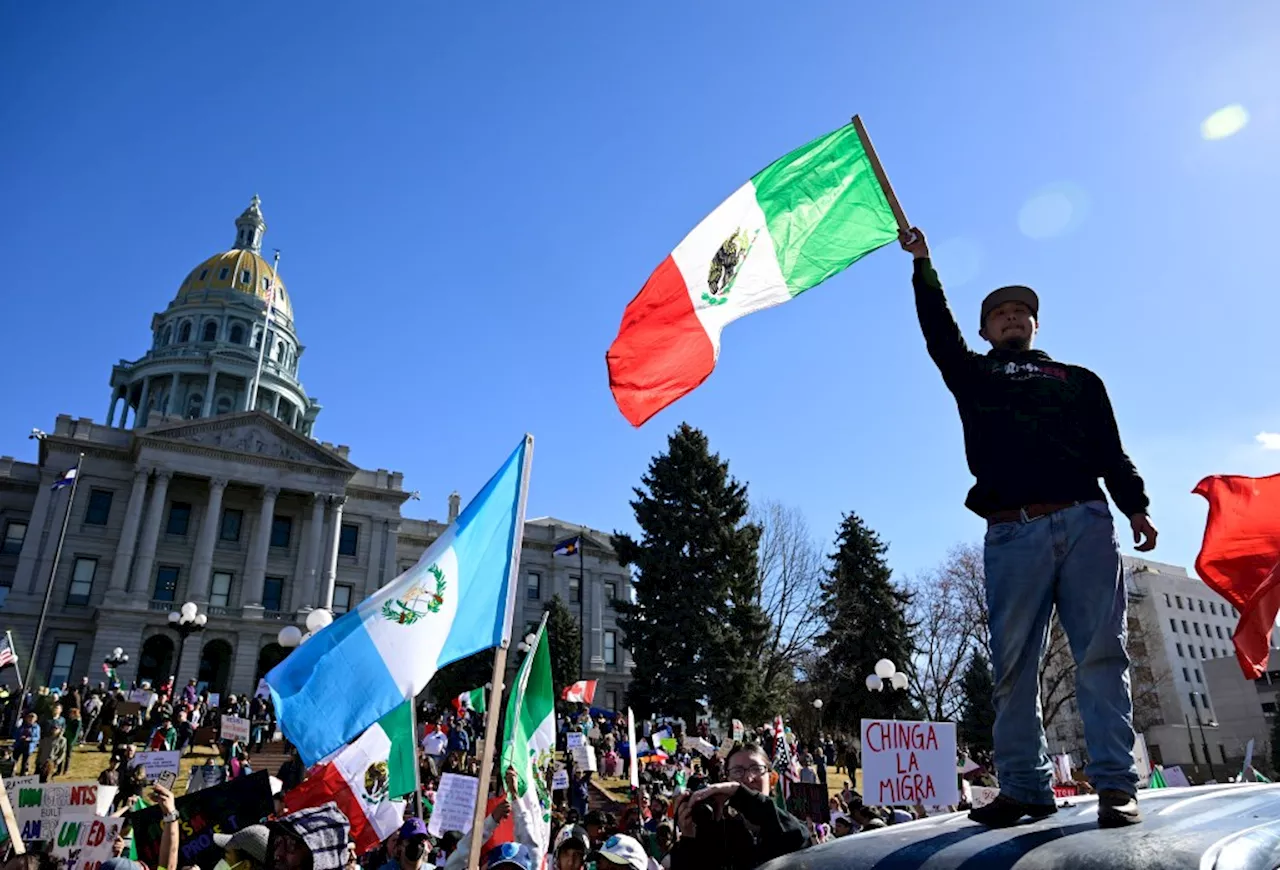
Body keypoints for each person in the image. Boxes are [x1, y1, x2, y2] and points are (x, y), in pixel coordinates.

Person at [902, 227, 1151, 828]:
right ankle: (1023, 788)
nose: (1013, 318)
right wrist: (924, 267)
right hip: (1012, 531)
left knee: (1101, 654)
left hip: (1087, 521)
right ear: (986, 330)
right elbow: (939, 335)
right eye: (1000, 314)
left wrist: (1135, 504)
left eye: (1022, 312)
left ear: (1036, 326)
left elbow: (1110, 451)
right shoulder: (974, 375)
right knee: (1012, 664)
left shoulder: (1080, 380)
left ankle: (1117, 786)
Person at [667, 744, 809, 869]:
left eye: (756, 769)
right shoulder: (724, 830)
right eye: (737, 771)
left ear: (772, 778)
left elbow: (799, 839)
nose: (748, 778)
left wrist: (742, 794)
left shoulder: (786, 824)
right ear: (727, 779)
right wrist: (690, 838)